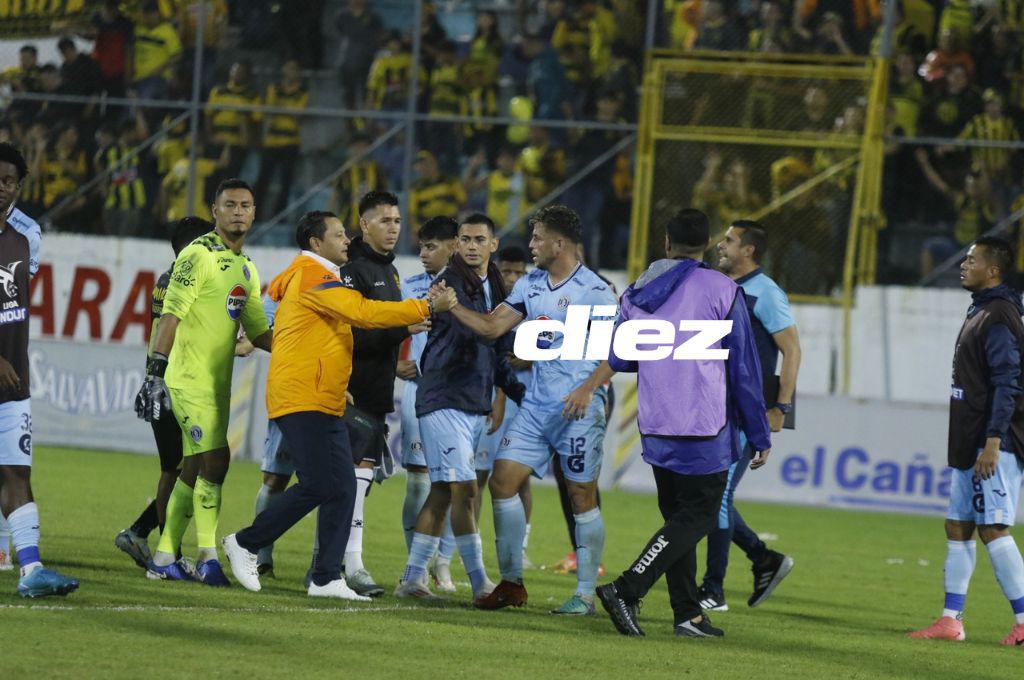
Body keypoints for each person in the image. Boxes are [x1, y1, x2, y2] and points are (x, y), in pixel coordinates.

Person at [221, 211, 455, 598]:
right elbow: (363, 312)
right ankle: (245, 542)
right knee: (319, 484)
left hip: (323, 395)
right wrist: (426, 307)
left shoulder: (314, 275)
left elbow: (325, 338)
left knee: (344, 485)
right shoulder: (314, 275)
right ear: (316, 243)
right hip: (302, 396)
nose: (347, 239)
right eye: (338, 234)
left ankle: (326, 577)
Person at [595, 208, 770, 638]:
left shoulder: (637, 291)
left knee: (678, 518)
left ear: (667, 243)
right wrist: (760, 431)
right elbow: (744, 368)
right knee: (700, 516)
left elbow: (620, 358)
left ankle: (687, 614)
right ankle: (626, 588)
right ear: (706, 245)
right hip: (703, 422)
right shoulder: (723, 289)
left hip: (655, 420)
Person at [449, 204, 616, 615]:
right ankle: (511, 583)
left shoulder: (595, 291)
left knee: (581, 496)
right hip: (538, 406)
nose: (532, 245)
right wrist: (451, 306)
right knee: (502, 482)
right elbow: (492, 327)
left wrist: (587, 389)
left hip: (580, 408)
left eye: (538, 238)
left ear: (560, 243)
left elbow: (618, 352)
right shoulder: (532, 284)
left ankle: (585, 594)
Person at [137, 178, 273, 585]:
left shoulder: (247, 268)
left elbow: (259, 331)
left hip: (216, 384)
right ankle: (209, 556)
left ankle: (164, 557)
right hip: (186, 379)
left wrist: (303, 352)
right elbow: (171, 316)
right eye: (229, 204)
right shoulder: (198, 255)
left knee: (195, 465)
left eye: (244, 205)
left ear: (254, 213)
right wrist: (155, 374)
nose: (237, 212)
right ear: (214, 210)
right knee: (217, 460)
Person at [396, 214, 525, 602]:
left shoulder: (494, 287)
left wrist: (518, 392)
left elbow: (498, 351)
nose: (470, 246)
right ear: (457, 245)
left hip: (473, 401)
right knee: (466, 490)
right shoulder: (448, 284)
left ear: (493, 245)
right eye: (464, 239)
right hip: (443, 397)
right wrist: (443, 309)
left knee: (441, 491)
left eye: (478, 239)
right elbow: (478, 331)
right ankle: (481, 581)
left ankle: (413, 578)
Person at [908, 237, 1024, 647]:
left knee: (993, 527)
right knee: (958, 526)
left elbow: (1007, 382)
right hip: (969, 436)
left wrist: (994, 440)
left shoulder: (998, 315)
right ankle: (950, 619)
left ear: (993, 270)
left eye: (972, 260)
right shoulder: (982, 309)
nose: (963, 264)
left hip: (992, 441)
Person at [697, 220, 800, 612]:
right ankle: (763, 559)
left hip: (744, 409)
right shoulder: (720, 286)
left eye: (728, 240)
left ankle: (713, 590)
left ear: (749, 251)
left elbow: (792, 350)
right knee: (708, 495)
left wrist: (781, 407)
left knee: (719, 495)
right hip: (712, 406)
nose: (720, 245)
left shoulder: (766, 294)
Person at [0, 143, 77, 598]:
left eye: (9, 180)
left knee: (16, 471)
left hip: (14, 382)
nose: (2, 187)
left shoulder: (24, 236)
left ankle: (32, 570)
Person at [115, 216, 213, 569]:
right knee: (179, 469)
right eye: (208, 242)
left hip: (163, 381)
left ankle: (142, 533)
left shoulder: (166, 279)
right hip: (174, 384)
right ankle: (165, 550)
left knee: (184, 466)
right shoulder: (187, 282)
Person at [332, 190, 414, 596]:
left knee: (349, 480)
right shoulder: (355, 271)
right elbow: (355, 334)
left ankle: (330, 561)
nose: (393, 227)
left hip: (377, 390)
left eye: (397, 220)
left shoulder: (390, 272)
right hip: (351, 391)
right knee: (347, 479)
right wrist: (406, 324)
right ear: (364, 225)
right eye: (385, 220)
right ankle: (353, 565)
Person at [398, 216, 460, 592]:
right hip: (420, 392)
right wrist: (394, 362)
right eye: (421, 246)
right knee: (419, 483)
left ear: (454, 245)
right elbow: (385, 330)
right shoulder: (410, 288)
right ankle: (415, 567)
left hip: (461, 398)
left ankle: (444, 564)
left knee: (455, 485)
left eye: (432, 246)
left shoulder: (474, 288)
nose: (423, 253)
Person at [474, 246, 533, 566]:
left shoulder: (535, 305)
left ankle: (520, 546)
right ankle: (475, 544)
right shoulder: (489, 305)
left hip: (522, 401)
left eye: (518, 272)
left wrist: (531, 356)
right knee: (479, 476)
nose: (512, 278)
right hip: (492, 398)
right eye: (506, 271)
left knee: (519, 477)